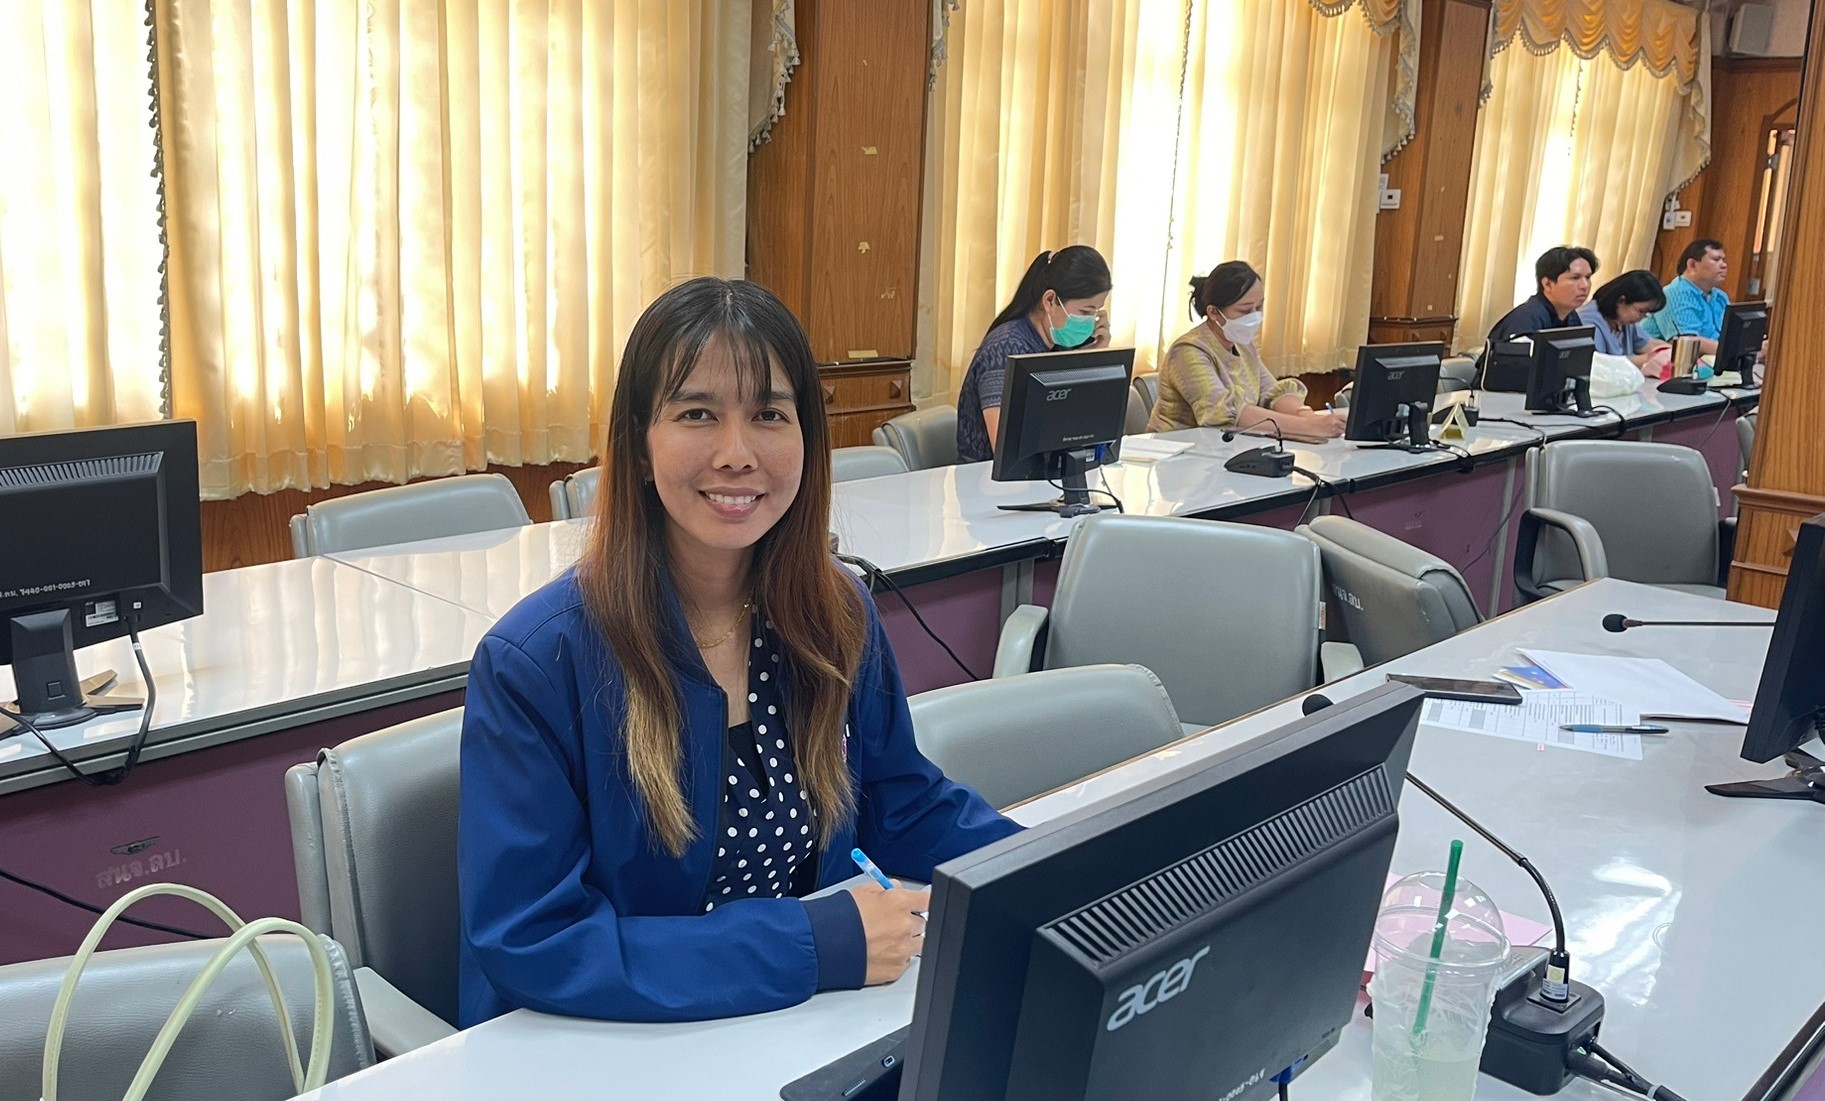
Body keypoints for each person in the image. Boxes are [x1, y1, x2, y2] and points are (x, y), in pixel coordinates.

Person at [458, 277, 1020, 1025]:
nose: (736, 453)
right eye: (697, 413)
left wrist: (1043, 869)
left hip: (790, 1018)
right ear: (638, 442)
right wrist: (813, 943)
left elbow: (900, 802)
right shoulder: (537, 661)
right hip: (611, 1038)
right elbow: (534, 939)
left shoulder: (835, 611)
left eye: (768, 415)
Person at [1148, 261, 1340, 438]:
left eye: (1259, 307)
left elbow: (1272, 392)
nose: (1254, 316)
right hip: (1178, 453)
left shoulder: (1242, 344)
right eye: (1245, 310)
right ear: (1214, 312)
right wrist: (1308, 427)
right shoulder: (1188, 350)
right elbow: (1223, 412)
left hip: (1223, 448)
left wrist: (1307, 415)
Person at [956, 246, 1112, 462]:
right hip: (985, 480)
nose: (1091, 320)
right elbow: (1008, 452)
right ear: (1050, 301)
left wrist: (1092, 359)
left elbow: (1080, 429)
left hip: (1044, 476)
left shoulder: (1056, 347)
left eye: (1096, 311)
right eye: (1085, 311)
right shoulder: (1004, 349)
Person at [1576, 269, 1673, 377]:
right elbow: (1600, 366)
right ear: (1621, 301)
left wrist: (1670, 352)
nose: (1642, 317)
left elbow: (1648, 344)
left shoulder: (1623, 320)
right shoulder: (1588, 321)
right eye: (1641, 311)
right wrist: (1649, 359)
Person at [1642, 238, 1729, 354]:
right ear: (1692, 265)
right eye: (1716, 259)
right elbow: (1686, 342)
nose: (1724, 265)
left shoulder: (1720, 297)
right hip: (1664, 361)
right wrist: (1729, 352)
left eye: (1724, 260)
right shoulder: (1675, 293)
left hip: (1709, 360)